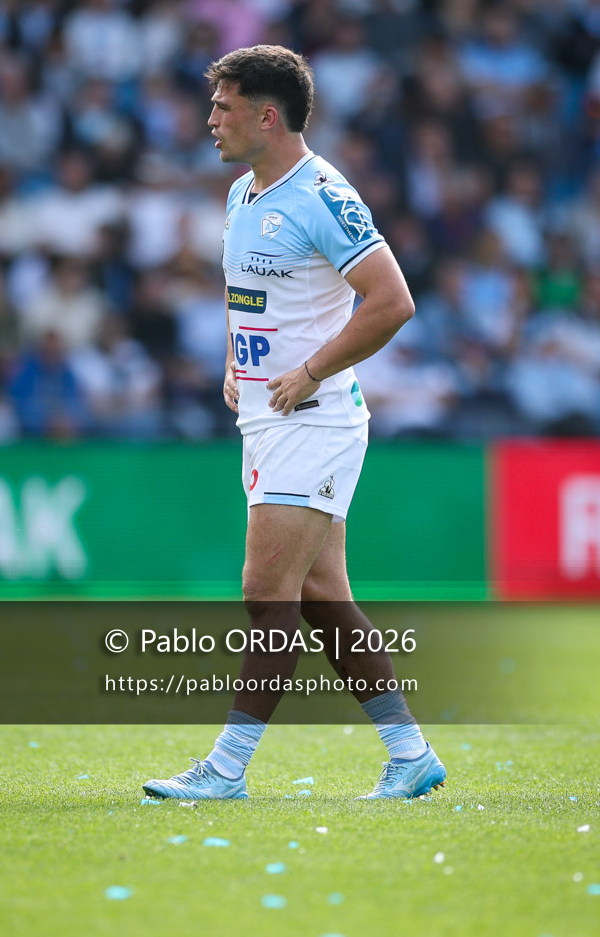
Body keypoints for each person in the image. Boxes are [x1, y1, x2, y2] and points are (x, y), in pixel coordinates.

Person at [143, 45, 446, 801]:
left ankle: (226, 767)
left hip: (313, 420)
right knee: (321, 596)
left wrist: (309, 371)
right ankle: (409, 753)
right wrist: (233, 359)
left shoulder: (322, 196)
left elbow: (392, 301)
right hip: (266, 418)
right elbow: (246, 294)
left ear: (267, 116)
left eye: (224, 106)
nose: (210, 120)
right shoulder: (241, 194)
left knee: (265, 592)